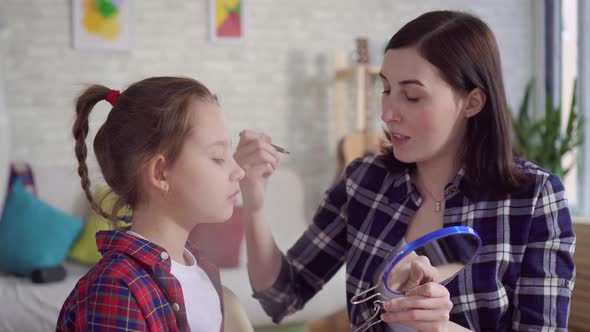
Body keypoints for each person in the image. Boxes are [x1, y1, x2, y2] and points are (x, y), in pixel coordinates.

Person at [234, 10, 575, 332]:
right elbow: (282, 296)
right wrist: (254, 202)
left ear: (472, 102)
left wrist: (442, 326)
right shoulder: (364, 181)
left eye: (412, 96)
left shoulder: (533, 199)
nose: (388, 113)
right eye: (385, 89)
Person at [57, 77, 245, 331]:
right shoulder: (115, 288)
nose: (239, 172)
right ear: (160, 173)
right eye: (218, 157)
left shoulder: (204, 272)